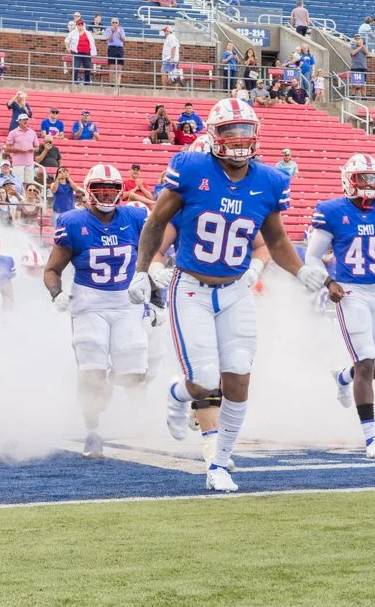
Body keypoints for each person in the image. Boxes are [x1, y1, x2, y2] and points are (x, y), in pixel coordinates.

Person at [132, 98, 325, 493]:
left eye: (245, 130)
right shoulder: (191, 167)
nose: (239, 139)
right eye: (229, 130)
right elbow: (156, 221)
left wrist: (301, 269)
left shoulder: (270, 180)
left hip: (236, 289)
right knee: (202, 380)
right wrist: (142, 271)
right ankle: (177, 393)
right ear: (212, 134)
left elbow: (275, 238)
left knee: (238, 378)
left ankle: (218, 463)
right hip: (190, 287)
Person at [306, 154, 375, 459]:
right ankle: (371, 438)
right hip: (350, 290)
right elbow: (312, 257)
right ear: (348, 180)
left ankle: (342, 377)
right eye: (362, 178)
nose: (368, 185)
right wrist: (328, 283)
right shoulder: (332, 211)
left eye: (372, 179)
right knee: (366, 361)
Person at [44, 164, 151, 459]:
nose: (106, 195)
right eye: (100, 189)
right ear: (88, 192)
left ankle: (140, 420)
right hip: (89, 301)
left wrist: (155, 288)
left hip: (126, 300)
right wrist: (56, 294)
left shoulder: (134, 216)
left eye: (112, 189)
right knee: (91, 369)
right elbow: (52, 269)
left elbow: (155, 251)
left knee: (133, 368)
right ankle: (92, 432)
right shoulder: (74, 222)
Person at [67, 17, 95, 86]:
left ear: (83, 25)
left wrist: (92, 52)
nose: (80, 26)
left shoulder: (88, 33)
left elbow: (92, 42)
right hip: (77, 52)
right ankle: (74, 82)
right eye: (79, 25)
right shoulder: (73, 33)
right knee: (76, 67)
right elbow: (66, 41)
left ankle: (87, 83)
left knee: (88, 68)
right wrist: (68, 48)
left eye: (81, 25)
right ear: (76, 25)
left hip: (86, 53)